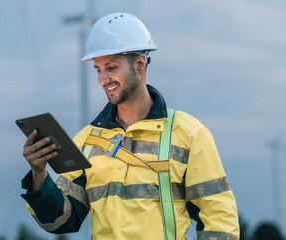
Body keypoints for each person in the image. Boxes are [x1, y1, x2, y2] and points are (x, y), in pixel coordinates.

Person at [20, 13, 240, 240]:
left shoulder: (189, 135)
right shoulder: (87, 140)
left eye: (111, 67)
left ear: (140, 64)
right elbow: (60, 220)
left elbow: (219, 222)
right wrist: (39, 174)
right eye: (98, 69)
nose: (102, 79)